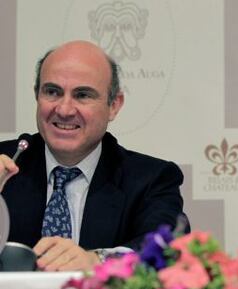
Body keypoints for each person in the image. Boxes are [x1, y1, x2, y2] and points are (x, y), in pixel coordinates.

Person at [0, 40, 188, 271]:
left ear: (114, 105)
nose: (64, 110)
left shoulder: (151, 179)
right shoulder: (6, 163)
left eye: (82, 95)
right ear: (36, 95)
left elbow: (166, 249)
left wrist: (98, 261)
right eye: (52, 92)